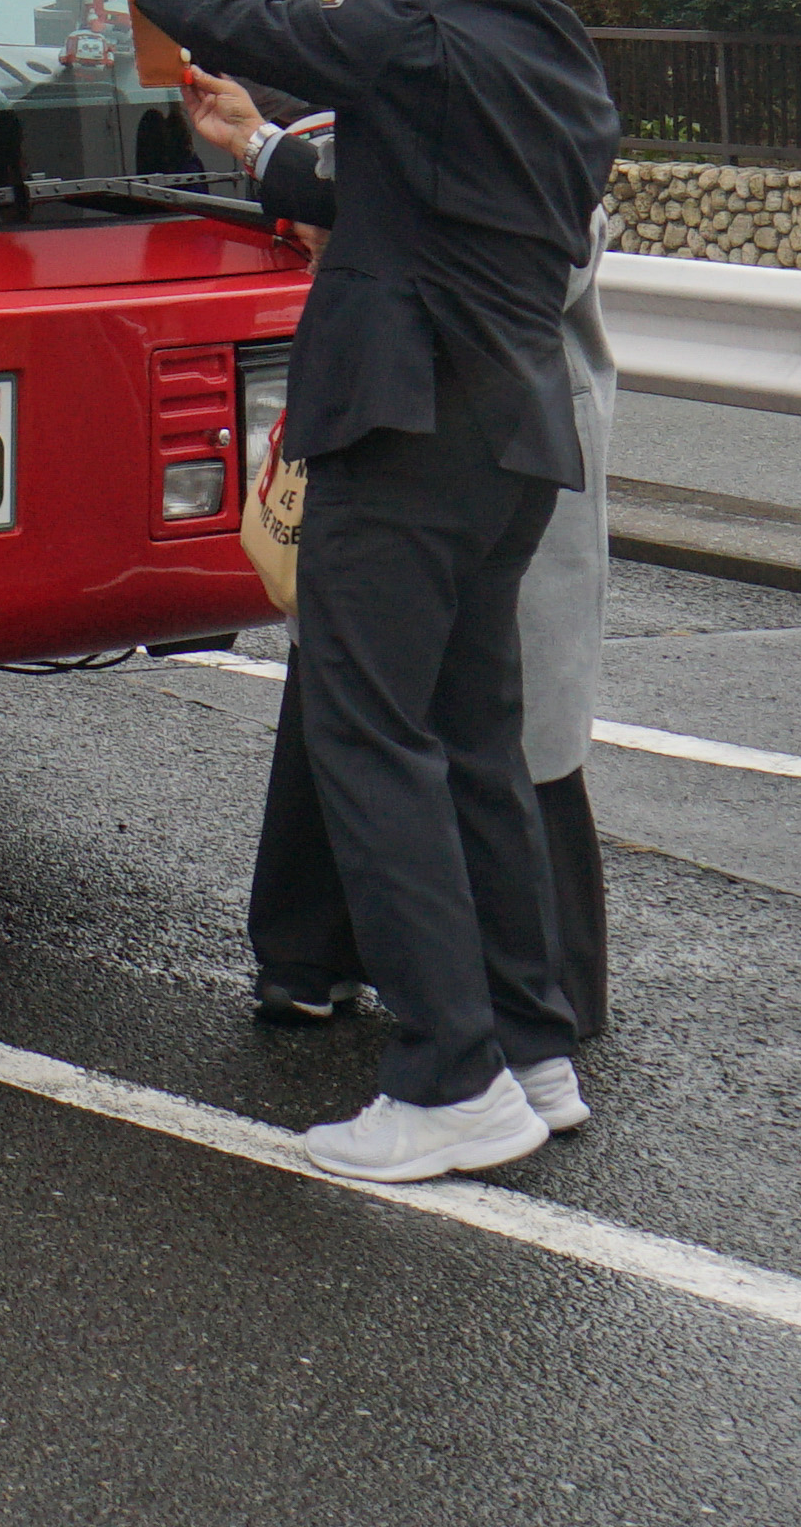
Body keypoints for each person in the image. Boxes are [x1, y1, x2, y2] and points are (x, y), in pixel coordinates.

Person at [134, 0, 618, 1185]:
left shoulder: (424, 28)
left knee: (368, 734)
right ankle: (531, 1048)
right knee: (475, 741)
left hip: (402, 435)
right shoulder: (563, 60)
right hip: (513, 443)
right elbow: (420, 196)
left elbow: (264, 27)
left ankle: (447, 1077)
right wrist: (259, 151)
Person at [183, 67, 624, 1057]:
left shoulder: (500, 96)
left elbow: (441, 233)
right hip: (457, 428)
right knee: (412, 696)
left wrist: (294, 175)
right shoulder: (511, 85)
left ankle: (468, 1006)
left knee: (443, 703)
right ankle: (498, 1001)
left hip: (470, 426)